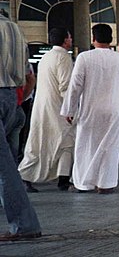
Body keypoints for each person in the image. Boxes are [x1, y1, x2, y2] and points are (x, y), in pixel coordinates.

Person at [60, 24, 119, 194]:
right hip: (115, 109)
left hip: (91, 108)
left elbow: (75, 85)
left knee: (86, 144)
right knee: (111, 146)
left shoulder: (84, 58)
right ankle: (106, 184)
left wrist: (69, 110)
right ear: (111, 39)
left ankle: (84, 183)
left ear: (93, 39)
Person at [0, 11, 42, 241]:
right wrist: (18, 101)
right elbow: (29, 76)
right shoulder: (15, 29)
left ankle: (25, 224)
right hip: (9, 99)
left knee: (5, 167)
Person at [18, 27, 75, 192]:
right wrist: (70, 109)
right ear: (65, 40)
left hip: (42, 106)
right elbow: (65, 86)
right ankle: (28, 175)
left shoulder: (46, 57)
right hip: (57, 108)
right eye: (69, 37)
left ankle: (59, 179)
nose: (71, 40)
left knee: (39, 143)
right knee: (66, 142)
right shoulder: (63, 57)